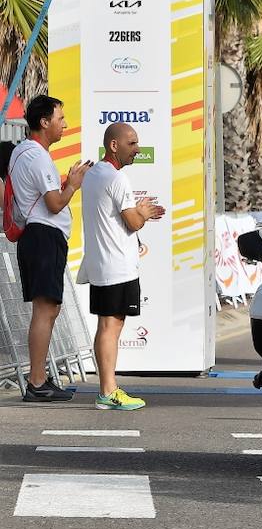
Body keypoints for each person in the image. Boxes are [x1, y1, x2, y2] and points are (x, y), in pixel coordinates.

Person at [9, 95, 90, 403]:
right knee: (45, 310)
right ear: (44, 122)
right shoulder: (37, 155)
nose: (64, 124)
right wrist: (73, 182)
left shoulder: (22, 152)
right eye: (60, 118)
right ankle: (37, 381)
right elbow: (54, 203)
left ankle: (40, 378)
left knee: (48, 308)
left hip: (37, 236)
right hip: (43, 236)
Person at [79, 122, 165, 410]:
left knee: (108, 326)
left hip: (104, 263)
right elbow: (133, 222)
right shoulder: (116, 179)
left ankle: (108, 388)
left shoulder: (94, 175)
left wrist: (137, 211)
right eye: (132, 144)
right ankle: (107, 391)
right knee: (111, 327)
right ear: (113, 145)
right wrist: (142, 212)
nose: (137, 150)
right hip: (116, 265)